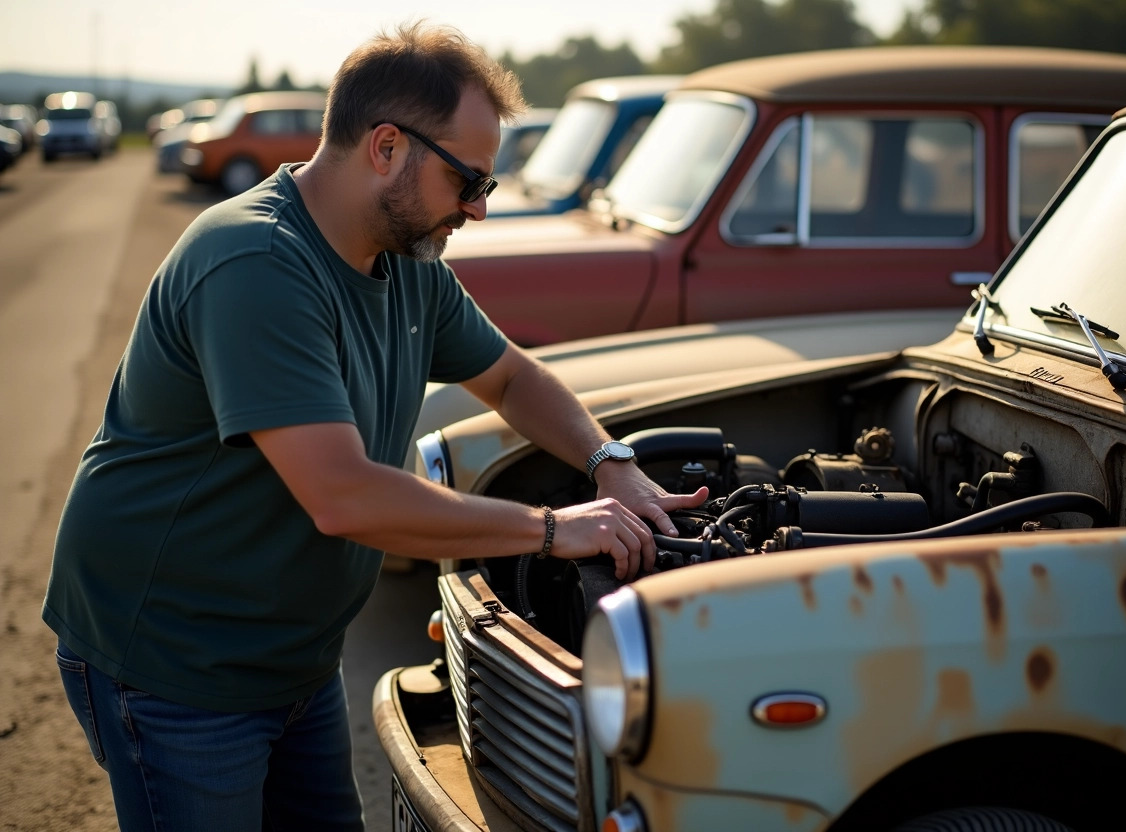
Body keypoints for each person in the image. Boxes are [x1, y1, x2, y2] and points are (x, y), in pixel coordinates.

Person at [42, 21, 707, 832]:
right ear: (386, 146)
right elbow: (343, 496)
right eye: (468, 181)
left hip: (294, 657)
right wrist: (551, 529)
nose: (477, 210)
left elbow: (509, 374)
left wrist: (611, 462)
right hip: (178, 663)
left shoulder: (407, 263)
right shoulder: (255, 262)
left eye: (486, 188)